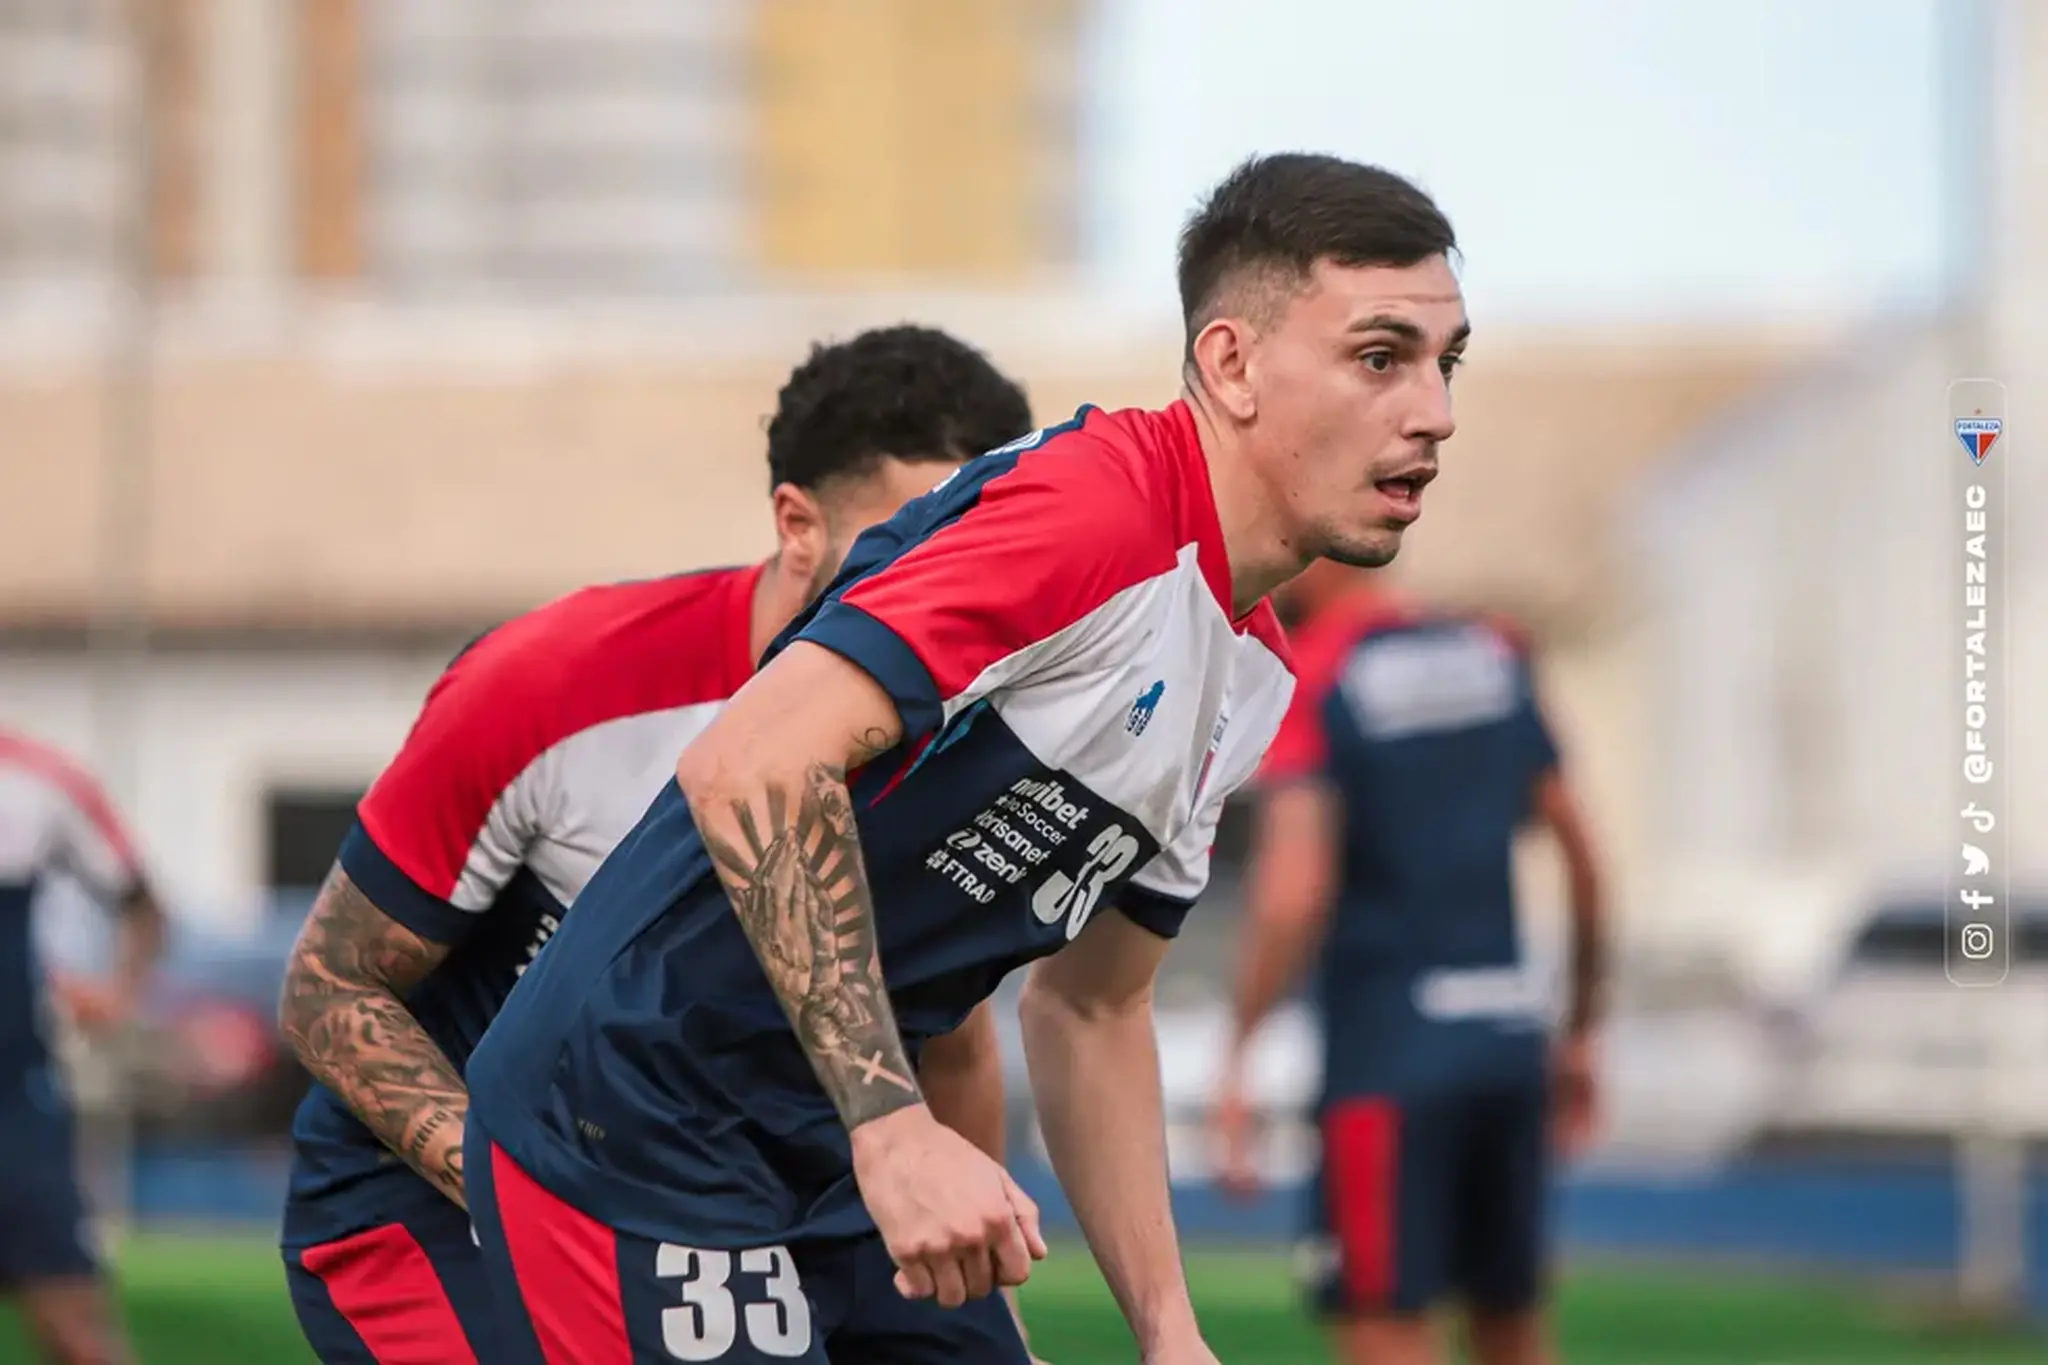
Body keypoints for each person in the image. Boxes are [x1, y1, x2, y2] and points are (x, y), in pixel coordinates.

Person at [460, 151, 1467, 1365]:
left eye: (1444, 363)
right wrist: (893, 1128)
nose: (1432, 412)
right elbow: (751, 765)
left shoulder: (1247, 672)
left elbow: (1094, 1006)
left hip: (827, 1139)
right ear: (1230, 365)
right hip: (630, 1114)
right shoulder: (1092, 514)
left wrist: (1168, 1331)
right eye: (1379, 357)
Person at [274, 325, 1038, 1365]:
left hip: (752, 1188)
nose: (939, 588)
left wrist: (972, 1290)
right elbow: (328, 988)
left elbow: (949, 1040)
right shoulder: (556, 685)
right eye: (906, 544)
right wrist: (528, 1189)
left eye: (974, 552)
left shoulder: (966, 721)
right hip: (435, 1202)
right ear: (796, 525)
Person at [1207, 559, 1609, 1365]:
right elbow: (1581, 856)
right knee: (1512, 1321)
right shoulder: (1492, 651)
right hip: (1507, 1040)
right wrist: (1580, 1027)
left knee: (1384, 1317)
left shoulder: (1316, 672)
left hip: (1386, 1060)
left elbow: (1293, 888)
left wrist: (1240, 1050)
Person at [0, 728, 168, 1365]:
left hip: (14, 1106)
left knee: (75, 1332)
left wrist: (116, 993)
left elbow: (143, 905)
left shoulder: (37, 781)